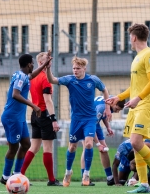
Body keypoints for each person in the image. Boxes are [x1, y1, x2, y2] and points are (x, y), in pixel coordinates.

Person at [106, 23, 150, 194]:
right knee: (136, 145)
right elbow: (136, 86)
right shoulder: (138, 57)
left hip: (146, 105)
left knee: (135, 142)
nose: (129, 40)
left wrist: (138, 99)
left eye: (129, 36)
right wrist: (120, 97)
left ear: (133, 37)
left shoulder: (149, 55)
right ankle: (144, 184)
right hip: (137, 107)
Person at [46, 56, 109, 187]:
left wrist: (107, 107)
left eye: (78, 68)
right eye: (74, 68)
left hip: (90, 119)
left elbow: (104, 90)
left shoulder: (93, 80)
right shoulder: (69, 80)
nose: (75, 70)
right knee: (72, 146)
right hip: (76, 120)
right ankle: (68, 172)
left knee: (89, 144)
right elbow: (52, 80)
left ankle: (86, 174)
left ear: (84, 69)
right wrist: (48, 68)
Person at [0, 53, 52, 184]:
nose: (33, 65)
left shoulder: (22, 75)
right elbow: (15, 95)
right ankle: (5, 177)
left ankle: (17, 175)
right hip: (12, 117)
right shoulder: (20, 77)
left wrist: (45, 65)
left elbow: (32, 75)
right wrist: (34, 106)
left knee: (26, 144)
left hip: (19, 118)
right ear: (29, 64)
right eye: (32, 64)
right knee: (13, 148)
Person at [20, 52, 61, 186]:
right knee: (47, 148)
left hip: (34, 115)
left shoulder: (32, 78)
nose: (49, 63)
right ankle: (51, 179)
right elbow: (48, 101)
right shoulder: (45, 79)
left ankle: (20, 175)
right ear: (40, 63)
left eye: (49, 61)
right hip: (44, 115)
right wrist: (53, 119)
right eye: (47, 61)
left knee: (34, 147)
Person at [79, 96, 114, 185]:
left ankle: (110, 177)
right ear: (114, 104)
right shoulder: (101, 107)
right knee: (87, 146)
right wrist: (98, 144)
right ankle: (84, 178)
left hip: (95, 122)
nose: (117, 111)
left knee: (104, 148)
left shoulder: (109, 102)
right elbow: (91, 128)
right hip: (85, 121)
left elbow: (104, 116)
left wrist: (108, 127)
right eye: (117, 109)